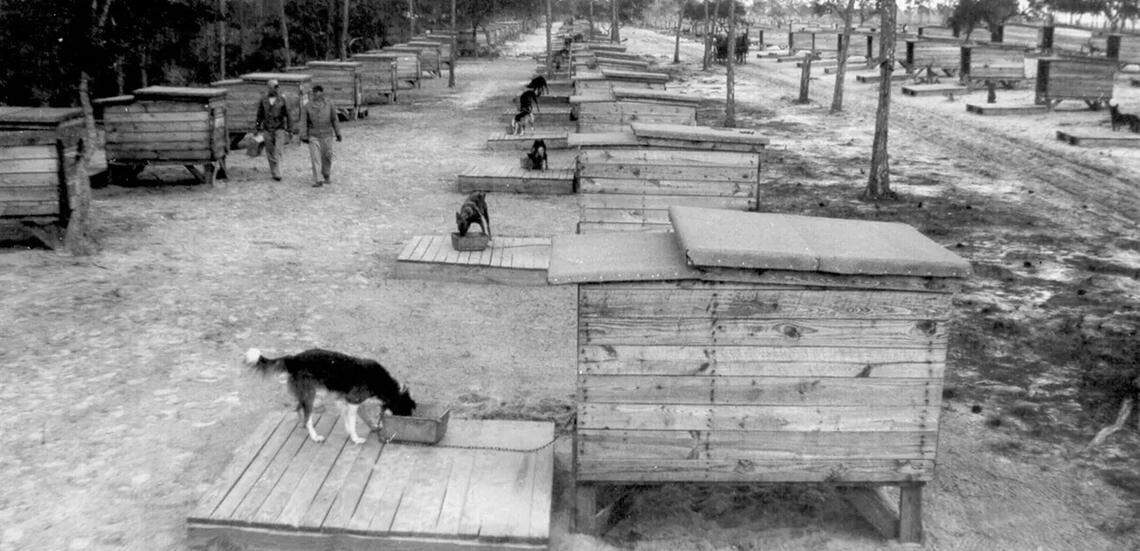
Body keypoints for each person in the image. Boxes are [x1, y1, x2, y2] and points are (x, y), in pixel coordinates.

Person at [299, 85, 342, 188]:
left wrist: (338, 133)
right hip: (314, 135)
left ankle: (326, 175)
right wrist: (303, 135)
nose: (314, 95)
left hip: (327, 135)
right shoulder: (307, 106)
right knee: (315, 158)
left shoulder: (329, 104)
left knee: (327, 157)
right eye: (313, 93)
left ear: (321, 93)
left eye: (317, 92)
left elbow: (334, 119)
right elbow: (303, 121)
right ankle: (317, 179)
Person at [254, 79, 292, 181]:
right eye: (274, 87)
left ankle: (278, 170)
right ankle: (274, 171)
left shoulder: (282, 99)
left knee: (278, 150)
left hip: (279, 128)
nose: (276, 89)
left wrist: (290, 129)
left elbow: (288, 115)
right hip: (267, 129)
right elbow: (259, 115)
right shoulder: (263, 100)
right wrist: (257, 128)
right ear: (269, 88)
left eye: (277, 87)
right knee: (270, 151)